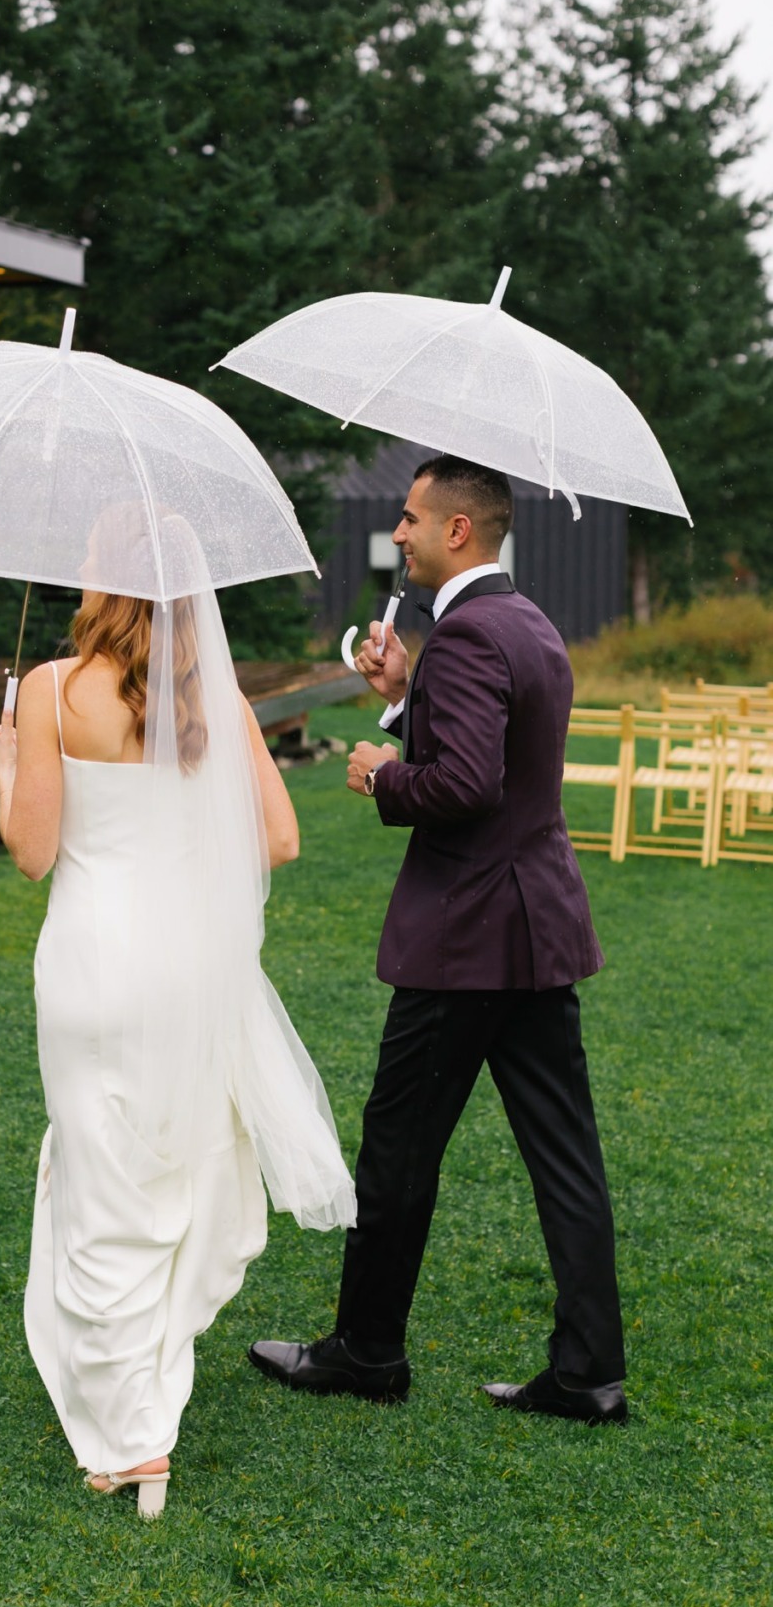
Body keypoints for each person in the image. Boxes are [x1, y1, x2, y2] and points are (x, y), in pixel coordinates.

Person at [249, 454, 628, 1425]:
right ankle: (587, 1372)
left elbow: (464, 785)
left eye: (411, 518)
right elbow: (488, 746)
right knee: (564, 1155)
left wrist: (380, 769)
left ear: (457, 529)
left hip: (465, 936)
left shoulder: (465, 636)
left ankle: (366, 1352)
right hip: (535, 928)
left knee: (396, 1146)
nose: (400, 533)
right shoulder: (526, 624)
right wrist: (400, 693)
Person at [0, 565, 355, 1519]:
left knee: (101, 1178)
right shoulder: (214, 701)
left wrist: (6, 765)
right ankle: (141, 1417)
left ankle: (134, 1440)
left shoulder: (49, 690)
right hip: (186, 971)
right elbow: (278, 841)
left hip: (90, 968)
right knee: (168, 1175)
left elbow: (32, 854)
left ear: (98, 589)